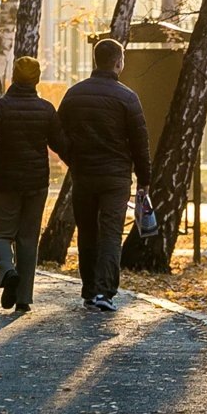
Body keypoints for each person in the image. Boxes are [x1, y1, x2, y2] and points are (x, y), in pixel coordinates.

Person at [0, 56, 70, 314]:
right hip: (36, 184)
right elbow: (61, 145)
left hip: (5, 183)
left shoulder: (0, 108)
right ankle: (23, 299)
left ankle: (8, 271)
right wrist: (81, 164)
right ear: (36, 79)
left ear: (13, 77)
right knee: (28, 239)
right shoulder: (46, 109)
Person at [57, 38, 151, 313]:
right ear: (118, 62)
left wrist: (72, 158)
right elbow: (139, 142)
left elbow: (57, 132)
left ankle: (88, 290)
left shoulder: (74, 94)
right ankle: (104, 292)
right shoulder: (127, 97)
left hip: (84, 175)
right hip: (116, 178)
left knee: (87, 231)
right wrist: (144, 178)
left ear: (96, 60)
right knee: (110, 233)